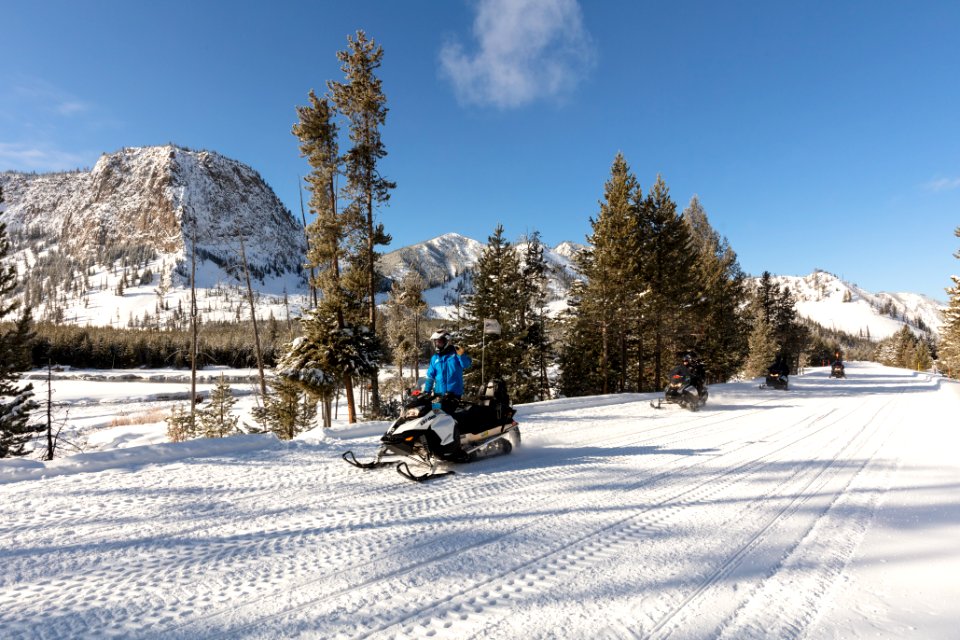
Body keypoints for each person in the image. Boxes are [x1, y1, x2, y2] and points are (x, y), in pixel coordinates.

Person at [423, 330, 472, 406]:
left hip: (453, 394)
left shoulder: (456, 354)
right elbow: (430, 376)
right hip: (438, 394)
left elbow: (466, 365)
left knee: (449, 416)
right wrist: (427, 391)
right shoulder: (435, 358)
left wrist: (461, 355)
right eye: (436, 342)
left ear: (446, 341)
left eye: (440, 342)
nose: (437, 344)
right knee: (435, 414)